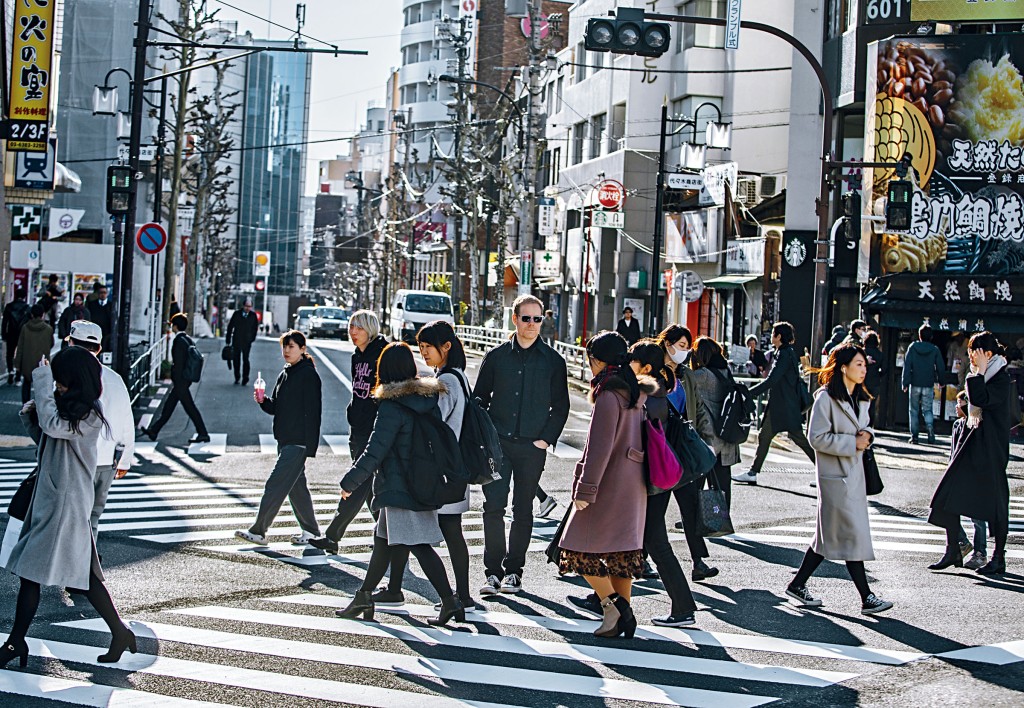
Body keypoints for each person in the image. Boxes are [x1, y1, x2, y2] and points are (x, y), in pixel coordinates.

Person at [1, 347, 137, 668]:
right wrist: (33, 414)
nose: (57, 385)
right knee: (81, 577)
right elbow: (48, 439)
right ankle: (120, 632)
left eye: (60, 380)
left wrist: (41, 380)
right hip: (58, 500)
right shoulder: (72, 411)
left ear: (74, 379)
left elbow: (53, 427)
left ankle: (15, 643)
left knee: (31, 573)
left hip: (64, 504)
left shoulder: (89, 415)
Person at [335, 342, 463, 626]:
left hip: (399, 486)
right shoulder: (426, 401)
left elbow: (375, 451)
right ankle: (364, 596)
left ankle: (450, 601)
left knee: (419, 546)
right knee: (383, 541)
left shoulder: (392, 407)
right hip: (421, 482)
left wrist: (350, 482)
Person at [785, 343, 893, 615]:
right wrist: (852, 443)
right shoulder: (826, 398)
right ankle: (867, 597)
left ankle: (797, 584)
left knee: (828, 538)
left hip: (854, 476)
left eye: (865, 364)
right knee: (850, 535)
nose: (864, 369)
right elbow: (816, 438)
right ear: (843, 368)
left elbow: (865, 428)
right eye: (859, 364)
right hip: (835, 477)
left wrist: (868, 436)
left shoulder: (862, 397)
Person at [376, 321, 476, 611]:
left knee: (442, 530)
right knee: (408, 529)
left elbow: (432, 425)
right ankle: (396, 588)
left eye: (428, 346)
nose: (423, 352)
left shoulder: (448, 382)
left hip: (441, 469)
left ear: (446, 346)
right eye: (420, 347)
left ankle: (461, 596)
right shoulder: (456, 376)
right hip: (452, 465)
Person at [474, 294, 570, 595]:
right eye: (526, 318)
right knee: (493, 507)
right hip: (498, 445)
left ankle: (514, 572)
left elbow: (561, 406)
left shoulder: (553, 361)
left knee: (523, 510)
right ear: (514, 319)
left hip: (532, 447)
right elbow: (479, 399)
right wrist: (486, 436)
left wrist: (545, 439)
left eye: (537, 319)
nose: (531, 324)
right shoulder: (496, 356)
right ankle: (492, 572)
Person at [559, 332, 650, 638]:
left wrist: (585, 489)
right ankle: (621, 617)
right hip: (634, 485)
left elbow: (599, 449)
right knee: (621, 555)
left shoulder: (609, 395)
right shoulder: (635, 393)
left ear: (598, 360)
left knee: (575, 549)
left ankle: (614, 607)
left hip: (607, 486)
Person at [927, 332, 1011, 576]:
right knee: (947, 493)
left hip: (991, 449)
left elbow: (981, 399)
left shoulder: (1000, 378)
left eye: (975, 351)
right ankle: (953, 548)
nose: (970, 356)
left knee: (996, 504)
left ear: (988, 353)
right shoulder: (977, 375)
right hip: (972, 443)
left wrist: (980, 373)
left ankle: (998, 557)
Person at [629, 338, 700, 625]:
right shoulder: (662, 389)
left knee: (654, 541)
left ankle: (683, 607)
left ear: (645, 367)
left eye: (632, 360)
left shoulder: (649, 395)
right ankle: (604, 597)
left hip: (652, 479)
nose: (628, 365)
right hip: (661, 476)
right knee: (641, 538)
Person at [310, 310, 388, 554]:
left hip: (374, 428)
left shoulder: (382, 354)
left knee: (358, 481)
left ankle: (332, 535)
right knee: (368, 486)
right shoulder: (357, 356)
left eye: (359, 327)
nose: (353, 332)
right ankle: (390, 537)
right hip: (357, 426)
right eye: (351, 327)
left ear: (370, 329)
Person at [235, 330, 322, 545]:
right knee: (296, 488)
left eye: (291, 346)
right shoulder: (285, 373)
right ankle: (311, 531)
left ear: (302, 349)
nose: (286, 351)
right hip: (284, 439)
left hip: (298, 441)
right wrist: (263, 400)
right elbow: (276, 407)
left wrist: (310, 446)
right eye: (284, 346)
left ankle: (259, 531)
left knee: (275, 484)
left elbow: (314, 412)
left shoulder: (308, 375)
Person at [655, 325, 719, 581]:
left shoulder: (686, 376)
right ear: (667, 344)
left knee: (690, 506)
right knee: (655, 509)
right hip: (660, 448)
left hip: (684, 448)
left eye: (687, 347)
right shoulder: (653, 372)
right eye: (680, 346)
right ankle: (643, 558)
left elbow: (699, 408)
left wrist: (708, 440)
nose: (684, 351)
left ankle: (698, 561)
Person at [64, 321, 135, 539]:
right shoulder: (114, 379)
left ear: (71, 344)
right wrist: (125, 460)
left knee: (68, 518)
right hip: (106, 461)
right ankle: (89, 557)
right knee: (93, 516)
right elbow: (127, 420)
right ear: (99, 349)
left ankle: (72, 559)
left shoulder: (65, 376)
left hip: (74, 459)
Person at [735, 321, 816, 485]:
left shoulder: (784, 354)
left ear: (779, 336)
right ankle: (753, 472)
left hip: (784, 406)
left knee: (798, 439)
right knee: (766, 436)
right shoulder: (785, 352)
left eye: (773, 333)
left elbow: (772, 380)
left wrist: (748, 393)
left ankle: (826, 472)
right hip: (784, 405)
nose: (771, 336)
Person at [141, 313, 210, 444]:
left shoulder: (178, 341)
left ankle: (203, 433)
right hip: (186, 379)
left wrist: (175, 378)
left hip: (180, 381)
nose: (171, 327)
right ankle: (154, 430)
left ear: (176, 326)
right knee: (169, 405)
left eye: (172, 325)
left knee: (189, 407)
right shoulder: (188, 339)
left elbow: (178, 363)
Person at [690, 336, 740, 507]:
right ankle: (721, 517)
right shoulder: (726, 371)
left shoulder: (703, 375)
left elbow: (683, 379)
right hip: (727, 435)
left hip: (709, 438)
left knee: (696, 483)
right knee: (722, 484)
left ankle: (695, 517)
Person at [902, 324, 945, 445]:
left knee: (913, 410)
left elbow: (907, 365)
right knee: (928, 410)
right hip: (928, 383)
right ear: (931, 336)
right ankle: (930, 429)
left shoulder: (912, 347)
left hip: (915, 383)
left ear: (919, 335)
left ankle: (914, 436)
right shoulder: (935, 349)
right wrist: (941, 381)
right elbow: (940, 367)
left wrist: (905, 383)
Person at [14, 304, 53, 403]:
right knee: (41, 387)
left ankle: (25, 405)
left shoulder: (25, 328)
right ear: (43, 314)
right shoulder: (48, 329)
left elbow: (20, 347)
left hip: (27, 362)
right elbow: (51, 344)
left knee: (26, 384)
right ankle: (39, 406)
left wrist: (17, 364)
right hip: (42, 362)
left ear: (31, 315)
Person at [226, 298, 260, 385]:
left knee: (246, 359)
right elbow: (230, 326)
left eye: (249, 306)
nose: (248, 308)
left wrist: (252, 338)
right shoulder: (237, 314)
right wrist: (228, 339)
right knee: (236, 359)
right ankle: (237, 376)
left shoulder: (253, 315)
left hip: (247, 341)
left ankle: (245, 377)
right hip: (236, 340)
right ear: (243, 306)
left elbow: (255, 328)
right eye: (246, 306)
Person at [2, 288, 30, 385]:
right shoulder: (27, 308)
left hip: (11, 333)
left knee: (9, 353)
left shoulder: (9, 306)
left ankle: (10, 371)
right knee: (21, 354)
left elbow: (4, 322)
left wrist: (3, 334)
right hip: (22, 334)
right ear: (24, 296)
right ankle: (18, 376)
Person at [863, 331, 886, 426]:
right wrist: (878, 375)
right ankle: (870, 425)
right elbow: (885, 369)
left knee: (861, 404)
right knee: (871, 406)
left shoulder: (862, 352)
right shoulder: (880, 354)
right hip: (875, 381)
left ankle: (861, 424)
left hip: (862, 381)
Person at [86, 285, 114, 351]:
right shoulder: (92, 305)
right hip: (94, 332)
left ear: (107, 294)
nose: (103, 294)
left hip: (107, 333)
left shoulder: (111, 306)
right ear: (98, 294)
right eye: (101, 293)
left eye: (104, 293)